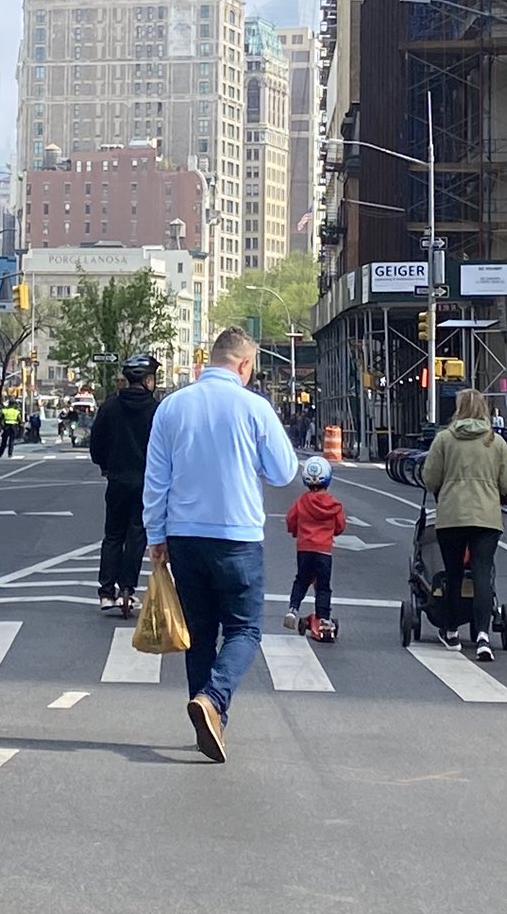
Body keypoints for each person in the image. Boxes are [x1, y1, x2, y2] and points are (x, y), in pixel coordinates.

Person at [143, 327, 297, 763]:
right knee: (245, 629)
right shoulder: (254, 408)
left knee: (199, 632)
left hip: (184, 535)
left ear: (211, 359)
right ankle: (214, 699)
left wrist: (155, 536)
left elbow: (156, 479)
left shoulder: (172, 407)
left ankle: (207, 720)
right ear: (244, 364)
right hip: (237, 536)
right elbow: (285, 472)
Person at [420, 388, 507, 661]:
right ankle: (483, 635)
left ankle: (450, 631)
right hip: (487, 517)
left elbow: (430, 479)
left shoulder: (444, 440)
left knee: (453, 573)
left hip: (452, 516)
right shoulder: (495, 442)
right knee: (482, 573)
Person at [90, 353, 161, 617]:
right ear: (147, 381)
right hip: (146, 482)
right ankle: (127, 589)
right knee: (136, 534)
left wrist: (104, 466)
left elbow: (96, 443)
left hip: (117, 480)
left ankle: (106, 592)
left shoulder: (110, 407)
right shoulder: (157, 410)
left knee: (112, 535)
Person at [284, 455, 349, 641]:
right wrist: (331, 532)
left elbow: (290, 520)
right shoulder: (334, 505)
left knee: (301, 580)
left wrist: (296, 531)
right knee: (323, 587)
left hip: (304, 548)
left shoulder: (301, 501)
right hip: (324, 550)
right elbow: (340, 526)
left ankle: (293, 609)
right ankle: (324, 619)